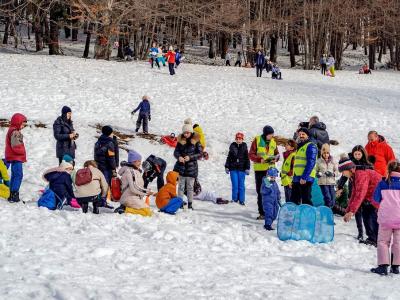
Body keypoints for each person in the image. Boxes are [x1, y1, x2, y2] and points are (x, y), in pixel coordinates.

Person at [340, 154, 381, 247]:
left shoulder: (360, 174)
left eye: (343, 171)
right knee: (366, 214)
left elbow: (360, 194)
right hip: (370, 196)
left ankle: (377, 239)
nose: (343, 174)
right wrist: (348, 210)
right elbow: (354, 193)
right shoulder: (353, 176)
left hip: (377, 195)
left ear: (349, 169)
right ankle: (371, 238)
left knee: (372, 216)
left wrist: (351, 212)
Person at [337, 145, 373, 241]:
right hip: (353, 189)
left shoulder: (367, 165)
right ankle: (360, 232)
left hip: (365, 192)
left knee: (366, 213)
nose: (357, 156)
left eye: (359, 154)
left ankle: (371, 235)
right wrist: (340, 186)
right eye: (355, 154)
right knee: (357, 211)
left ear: (363, 154)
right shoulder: (349, 164)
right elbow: (344, 176)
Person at [371, 160, 400, 275]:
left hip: (386, 218)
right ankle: (396, 266)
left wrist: (381, 207)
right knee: (398, 242)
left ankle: (383, 266)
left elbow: (375, 200)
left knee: (383, 241)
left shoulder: (383, 183)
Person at [249, 125, 279, 219]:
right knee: (261, 191)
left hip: (270, 172)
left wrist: (276, 159)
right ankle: (262, 213)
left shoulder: (273, 142)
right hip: (260, 171)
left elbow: (277, 154)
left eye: (272, 135)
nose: (271, 136)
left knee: (270, 190)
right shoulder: (257, 140)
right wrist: (259, 159)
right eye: (270, 135)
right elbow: (251, 154)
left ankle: (270, 212)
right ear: (265, 134)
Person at [173, 123, 203, 210]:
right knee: (181, 186)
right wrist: (179, 157)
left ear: (191, 132)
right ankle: (180, 202)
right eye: (184, 133)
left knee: (190, 187)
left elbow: (200, 154)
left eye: (187, 133)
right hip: (181, 167)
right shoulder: (181, 141)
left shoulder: (196, 141)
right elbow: (176, 152)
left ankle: (190, 204)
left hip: (192, 168)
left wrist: (190, 157)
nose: (185, 134)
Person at [118, 150, 155, 216]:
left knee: (149, 211)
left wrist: (145, 192)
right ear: (131, 162)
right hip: (129, 198)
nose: (139, 163)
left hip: (134, 198)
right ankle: (124, 209)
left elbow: (137, 186)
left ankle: (126, 208)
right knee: (147, 213)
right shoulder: (130, 171)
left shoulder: (136, 171)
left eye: (139, 161)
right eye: (136, 161)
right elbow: (133, 187)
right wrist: (146, 192)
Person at [290, 127, 318, 205]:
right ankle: (296, 216)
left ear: (307, 135)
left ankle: (309, 216)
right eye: (300, 134)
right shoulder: (299, 146)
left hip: (305, 178)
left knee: (306, 200)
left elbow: (311, 162)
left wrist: (304, 177)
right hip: (297, 177)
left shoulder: (311, 146)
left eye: (303, 134)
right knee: (294, 199)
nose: (301, 136)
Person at [5, 113, 27, 203]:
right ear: (18, 122)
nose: (23, 127)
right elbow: (16, 146)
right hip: (16, 157)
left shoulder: (12, 130)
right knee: (18, 175)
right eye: (22, 124)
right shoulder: (15, 132)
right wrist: (23, 151)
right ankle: (14, 195)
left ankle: (12, 194)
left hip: (13, 157)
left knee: (14, 175)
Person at [225, 132, 250, 205]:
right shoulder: (232, 146)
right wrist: (227, 166)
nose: (238, 140)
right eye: (237, 138)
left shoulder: (244, 147)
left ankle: (241, 200)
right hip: (233, 169)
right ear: (235, 139)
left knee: (241, 185)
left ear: (242, 139)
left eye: (240, 139)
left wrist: (247, 168)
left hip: (242, 169)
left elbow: (247, 159)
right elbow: (229, 158)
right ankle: (234, 199)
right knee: (235, 185)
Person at [316, 143, 338, 208]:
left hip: (331, 182)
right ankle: (328, 210)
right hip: (323, 183)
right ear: (322, 153)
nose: (326, 155)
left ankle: (328, 209)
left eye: (327, 153)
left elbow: (337, 171)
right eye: (324, 153)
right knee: (327, 197)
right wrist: (317, 174)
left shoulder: (333, 161)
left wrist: (332, 174)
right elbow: (315, 171)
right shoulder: (319, 161)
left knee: (333, 199)